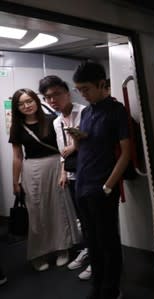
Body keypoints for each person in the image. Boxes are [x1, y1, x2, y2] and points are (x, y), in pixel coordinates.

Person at [71, 61, 130, 299]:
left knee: (108, 241)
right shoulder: (86, 112)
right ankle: (98, 284)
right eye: (79, 90)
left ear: (101, 84)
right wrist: (80, 136)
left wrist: (108, 186)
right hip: (82, 183)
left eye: (86, 89)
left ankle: (111, 288)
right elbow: (90, 143)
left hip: (102, 185)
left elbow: (126, 152)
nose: (83, 94)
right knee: (92, 240)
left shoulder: (116, 111)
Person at [8, 88, 80, 271]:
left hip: (56, 166)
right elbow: (17, 156)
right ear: (17, 107)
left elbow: (64, 148)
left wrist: (64, 171)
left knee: (59, 208)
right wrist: (15, 181)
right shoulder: (17, 127)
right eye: (22, 103)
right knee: (37, 212)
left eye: (29, 101)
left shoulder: (51, 121)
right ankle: (38, 253)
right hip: (31, 169)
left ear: (36, 101)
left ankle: (62, 248)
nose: (27, 106)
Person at [38, 75, 91, 281]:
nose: (52, 100)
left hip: (90, 173)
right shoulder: (57, 121)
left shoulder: (85, 112)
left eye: (56, 94)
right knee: (82, 218)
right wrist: (63, 171)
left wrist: (75, 146)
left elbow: (90, 144)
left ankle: (98, 257)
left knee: (95, 220)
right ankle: (88, 249)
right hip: (72, 173)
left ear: (67, 93)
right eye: (47, 97)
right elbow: (63, 152)